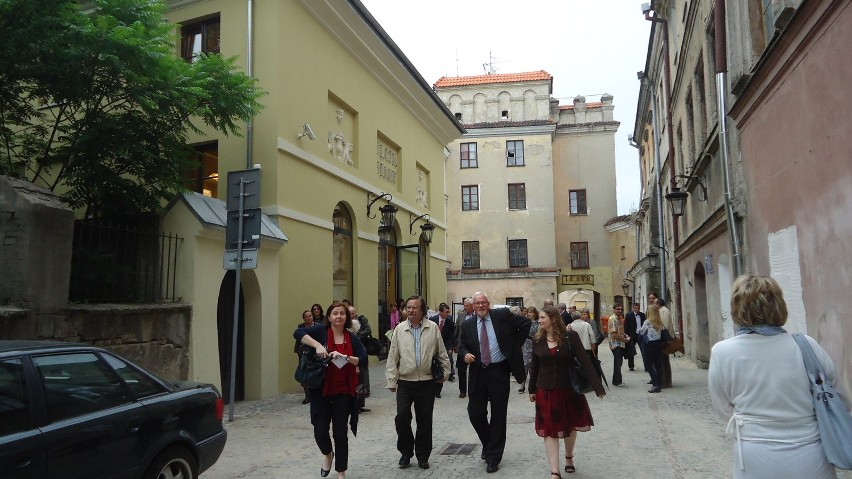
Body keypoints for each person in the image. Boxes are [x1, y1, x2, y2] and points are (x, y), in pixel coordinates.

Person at [708, 275, 848, 479]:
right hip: (810, 453)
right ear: (779, 305)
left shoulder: (723, 352)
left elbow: (722, 408)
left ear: (736, 308)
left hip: (754, 452)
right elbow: (840, 397)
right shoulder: (807, 345)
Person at [458, 292, 531, 473]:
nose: (481, 306)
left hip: (499, 371)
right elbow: (461, 345)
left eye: (484, 303)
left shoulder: (502, 316)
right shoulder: (467, 324)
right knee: (475, 413)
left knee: (498, 415)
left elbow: (526, 324)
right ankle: (489, 443)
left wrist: (514, 346)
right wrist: (465, 354)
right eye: (477, 303)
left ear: (488, 304)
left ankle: (493, 457)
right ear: (473, 306)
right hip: (477, 372)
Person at [529, 305, 605, 477]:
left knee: (570, 427)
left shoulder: (570, 336)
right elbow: (535, 366)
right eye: (539, 318)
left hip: (569, 389)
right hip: (546, 390)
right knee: (549, 429)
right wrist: (531, 389)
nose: (539, 321)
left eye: (542, 318)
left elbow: (585, 361)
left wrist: (597, 386)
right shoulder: (537, 339)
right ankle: (555, 472)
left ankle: (569, 457)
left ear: (553, 318)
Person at [294, 301, 368, 479]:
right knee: (320, 430)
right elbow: (298, 333)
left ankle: (341, 471)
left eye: (342, 313)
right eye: (335, 313)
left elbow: (364, 359)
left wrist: (347, 358)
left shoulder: (352, 338)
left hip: (344, 392)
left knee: (340, 433)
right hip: (322, 390)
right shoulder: (320, 332)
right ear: (329, 317)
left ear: (347, 318)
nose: (339, 316)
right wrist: (317, 345)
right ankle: (328, 454)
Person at [386, 295, 451, 470]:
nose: (410, 310)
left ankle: (423, 455)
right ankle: (405, 452)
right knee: (402, 418)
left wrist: (446, 372)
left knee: (424, 421)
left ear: (422, 310)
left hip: (426, 381)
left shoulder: (433, 328)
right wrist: (391, 380)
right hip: (405, 382)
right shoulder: (399, 329)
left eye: (414, 307)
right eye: (408, 307)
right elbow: (393, 356)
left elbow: (441, 352)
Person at [429, 302, 455, 398]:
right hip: (432, 347)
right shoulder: (432, 320)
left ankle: (438, 391)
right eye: (446, 312)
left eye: (448, 312)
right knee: (432, 367)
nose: (447, 314)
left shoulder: (450, 322)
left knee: (442, 368)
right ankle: (431, 388)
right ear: (440, 312)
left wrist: (450, 348)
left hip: (444, 348)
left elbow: (451, 336)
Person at [347, 305, 371, 413]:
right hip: (354, 359)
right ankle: (354, 405)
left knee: (363, 381)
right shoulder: (346, 327)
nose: (353, 315)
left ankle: (360, 404)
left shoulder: (361, 320)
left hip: (362, 356)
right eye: (350, 313)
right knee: (357, 382)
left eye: (353, 313)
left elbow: (368, 330)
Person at [636, 304, 664, 393]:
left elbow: (641, 331)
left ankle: (656, 384)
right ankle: (660, 382)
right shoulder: (659, 321)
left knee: (648, 364)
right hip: (658, 344)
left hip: (650, 344)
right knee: (658, 364)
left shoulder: (647, 322)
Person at [455, 298, 475, 398]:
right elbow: (457, 330)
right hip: (462, 346)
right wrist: (455, 344)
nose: (465, 307)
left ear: (472, 306)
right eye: (464, 305)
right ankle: (462, 391)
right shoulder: (461, 315)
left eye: (467, 306)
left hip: (474, 347)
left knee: (475, 370)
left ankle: (474, 390)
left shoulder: (477, 316)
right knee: (461, 370)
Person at [295, 309, 316, 404]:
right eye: (306, 316)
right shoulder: (301, 327)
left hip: (315, 353)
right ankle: (307, 395)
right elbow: (298, 339)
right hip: (304, 352)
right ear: (304, 318)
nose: (308, 318)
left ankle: (314, 394)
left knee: (314, 373)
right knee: (303, 373)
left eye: (310, 316)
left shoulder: (318, 326)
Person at [518, 306, 540, 394]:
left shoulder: (538, 323)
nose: (529, 314)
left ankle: (533, 385)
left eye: (531, 312)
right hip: (526, 345)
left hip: (534, 344)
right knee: (524, 365)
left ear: (535, 313)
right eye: (528, 312)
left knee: (533, 366)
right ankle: (522, 386)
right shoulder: (525, 322)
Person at [653, 295, 673, 388]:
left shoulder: (663, 311)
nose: (654, 305)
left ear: (658, 304)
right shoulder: (662, 310)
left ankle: (664, 382)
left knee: (662, 361)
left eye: (655, 303)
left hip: (663, 340)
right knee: (664, 361)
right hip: (664, 339)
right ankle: (666, 381)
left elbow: (663, 325)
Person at [608, 304, 630, 387]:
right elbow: (614, 334)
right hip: (615, 343)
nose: (620, 311)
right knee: (618, 362)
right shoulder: (613, 319)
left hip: (619, 343)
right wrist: (624, 340)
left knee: (619, 362)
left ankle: (616, 380)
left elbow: (620, 331)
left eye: (621, 309)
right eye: (618, 309)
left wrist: (626, 336)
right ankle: (617, 381)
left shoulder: (619, 318)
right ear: (614, 309)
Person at [624, 302, 645, 371]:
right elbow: (626, 326)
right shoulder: (629, 315)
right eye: (635, 308)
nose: (637, 309)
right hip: (632, 335)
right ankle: (631, 366)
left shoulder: (642, 315)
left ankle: (647, 366)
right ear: (633, 308)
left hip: (640, 335)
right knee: (631, 351)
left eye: (638, 308)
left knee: (644, 351)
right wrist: (626, 335)